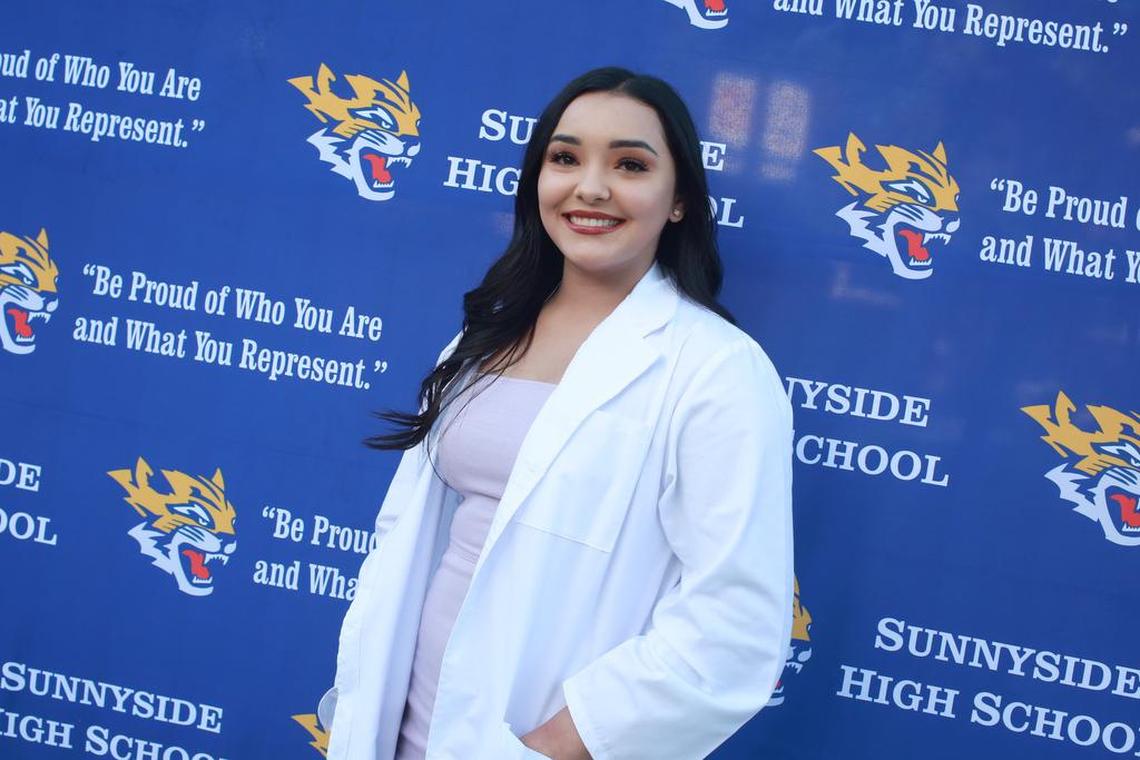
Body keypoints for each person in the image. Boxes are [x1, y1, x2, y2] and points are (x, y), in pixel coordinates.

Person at [319, 66, 794, 760]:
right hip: (398, 732)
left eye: (630, 164)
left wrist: (545, 750)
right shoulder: (483, 339)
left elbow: (735, 628)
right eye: (565, 158)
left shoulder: (718, 371)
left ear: (681, 200)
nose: (591, 186)